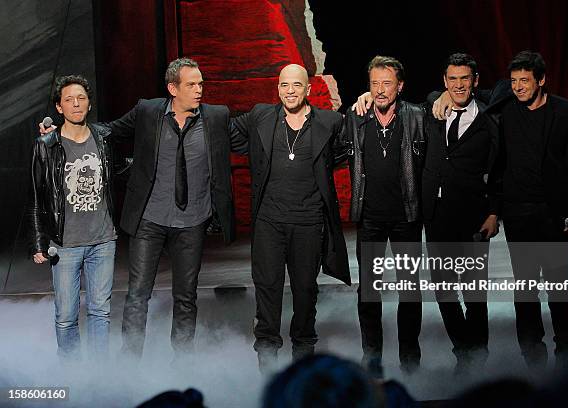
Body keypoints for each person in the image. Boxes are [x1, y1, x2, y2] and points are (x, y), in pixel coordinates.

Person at [108, 57, 236, 358]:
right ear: (172, 88)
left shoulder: (215, 117)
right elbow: (107, 133)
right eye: (191, 84)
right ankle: (129, 362)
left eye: (201, 84)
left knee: (186, 296)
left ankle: (182, 362)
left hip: (192, 222)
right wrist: (62, 131)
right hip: (149, 219)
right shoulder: (148, 111)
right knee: (138, 294)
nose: (199, 90)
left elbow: (251, 131)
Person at [229, 64, 350, 371]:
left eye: (297, 85)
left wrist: (363, 98)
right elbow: (225, 130)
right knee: (267, 290)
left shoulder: (329, 121)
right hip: (269, 223)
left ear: (308, 89)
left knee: (306, 293)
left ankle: (303, 365)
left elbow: (350, 145)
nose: (290, 91)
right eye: (285, 85)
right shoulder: (262, 116)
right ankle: (267, 366)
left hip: (309, 223)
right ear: (278, 88)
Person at [494, 51, 568, 371]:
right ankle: (531, 349)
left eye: (525, 81)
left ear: (541, 80)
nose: (518, 87)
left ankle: (566, 348)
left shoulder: (566, 112)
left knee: (558, 283)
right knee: (525, 285)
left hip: (554, 213)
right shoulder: (504, 108)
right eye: (514, 81)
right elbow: (463, 91)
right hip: (518, 211)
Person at [345, 56, 426, 378]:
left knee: (409, 289)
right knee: (369, 291)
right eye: (374, 84)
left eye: (387, 83)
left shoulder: (418, 117)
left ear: (400, 86)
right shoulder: (356, 118)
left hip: (406, 217)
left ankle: (410, 357)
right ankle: (372, 357)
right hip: (370, 218)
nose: (380, 90)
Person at [422, 53, 500, 374]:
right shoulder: (433, 110)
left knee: (473, 290)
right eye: (452, 79)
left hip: (473, 216)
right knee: (443, 289)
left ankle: (477, 352)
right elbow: (421, 99)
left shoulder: (490, 119)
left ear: (475, 81)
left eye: (464, 79)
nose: (458, 85)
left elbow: (499, 171)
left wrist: (495, 212)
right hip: (437, 215)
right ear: (444, 81)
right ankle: (464, 349)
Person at [29, 75, 117, 361]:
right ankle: (72, 376)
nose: (76, 103)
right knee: (66, 316)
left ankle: (98, 377)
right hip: (64, 244)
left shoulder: (103, 137)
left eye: (81, 98)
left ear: (89, 103)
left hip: (103, 241)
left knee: (100, 312)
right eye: (69, 99)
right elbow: (37, 195)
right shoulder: (47, 144)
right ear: (59, 107)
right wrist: (38, 241)